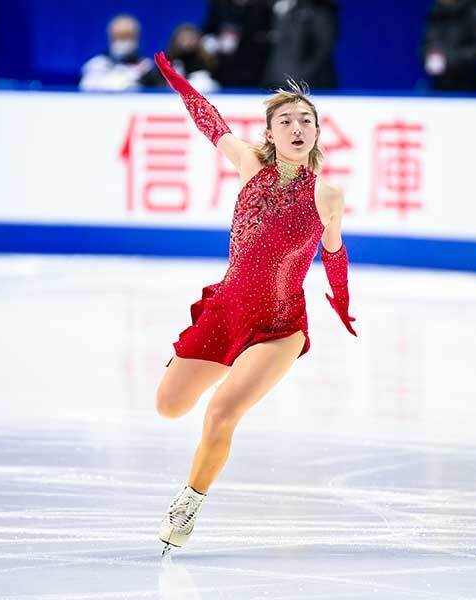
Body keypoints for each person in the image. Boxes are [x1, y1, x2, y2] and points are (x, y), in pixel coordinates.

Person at [149, 51, 358, 554]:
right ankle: (209, 361)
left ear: (315, 133)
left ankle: (189, 502)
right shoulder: (249, 163)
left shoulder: (327, 196)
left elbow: (335, 253)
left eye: (305, 120)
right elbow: (210, 122)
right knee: (169, 406)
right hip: (227, 309)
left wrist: (342, 302)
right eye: (285, 119)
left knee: (220, 414)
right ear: (269, 132)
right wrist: (179, 84)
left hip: (280, 327)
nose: (296, 126)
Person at [420, 0, 476, 92]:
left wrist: (453, 61)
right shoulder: (436, 12)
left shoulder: (472, 12)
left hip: (466, 87)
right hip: (438, 86)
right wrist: (430, 56)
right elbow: (428, 42)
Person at [263, 0, 339, 90]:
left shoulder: (319, 10)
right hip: (270, 83)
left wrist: (302, 76)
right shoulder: (266, 6)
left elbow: (321, 50)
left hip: (309, 85)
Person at [202, 0, 273, 87]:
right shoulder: (219, 5)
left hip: (253, 67)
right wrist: (213, 41)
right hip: (223, 68)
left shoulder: (261, 7)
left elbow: (266, 35)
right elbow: (209, 30)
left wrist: (241, 39)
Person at [79, 14, 153, 92]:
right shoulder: (95, 64)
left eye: (128, 36)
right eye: (120, 36)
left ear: (137, 38)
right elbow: (86, 87)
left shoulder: (147, 66)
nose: (124, 41)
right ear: (111, 38)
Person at [141, 23, 220, 92]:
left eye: (191, 39)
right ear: (176, 40)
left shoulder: (207, 61)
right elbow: (156, 84)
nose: (187, 43)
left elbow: (219, 83)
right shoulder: (166, 60)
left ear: (198, 40)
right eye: (184, 39)